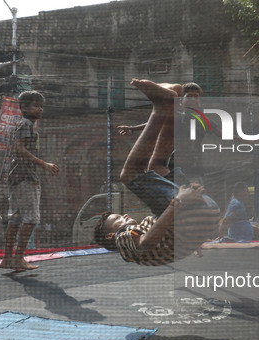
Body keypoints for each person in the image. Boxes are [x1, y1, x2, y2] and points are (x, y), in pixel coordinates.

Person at [94, 79, 220, 265]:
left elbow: (167, 238)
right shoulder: (123, 240)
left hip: (205, 214)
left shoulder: (144, 227)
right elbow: (145, 244)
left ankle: (171, 106)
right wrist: (177, 203)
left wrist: (194, 239)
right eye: (119, 219)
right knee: (129, 176)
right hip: (192, 214)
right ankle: (161, 107)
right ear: (112, 234)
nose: (125, 215)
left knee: (156, 167)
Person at [0, 90, 59, 272]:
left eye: (41, 106)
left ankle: (8, 259)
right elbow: (20, 149)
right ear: (24, 107)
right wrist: (44, 164)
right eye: (35, 105)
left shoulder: (26, 125)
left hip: (16, 176)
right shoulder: (26, 124)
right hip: (25, 176)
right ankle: (18, 258)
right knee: (31, 218)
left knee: (15, 218)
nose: (40, 109)